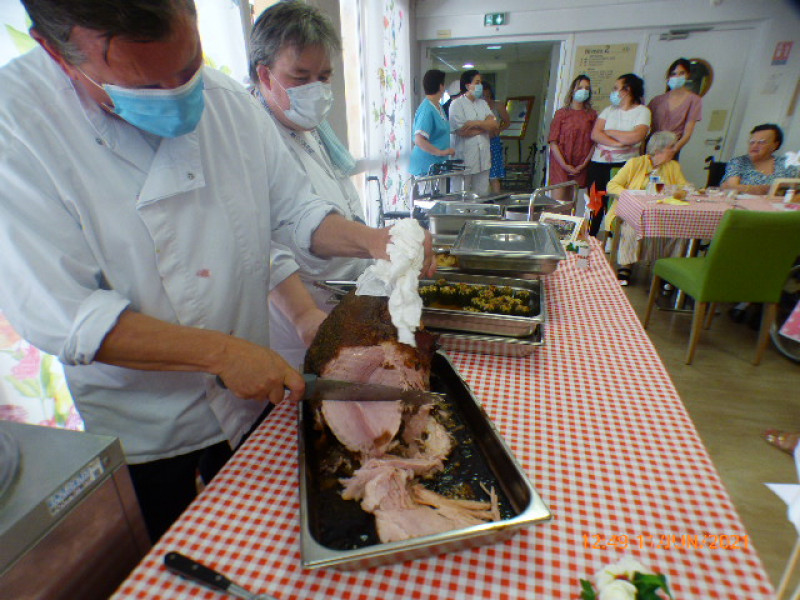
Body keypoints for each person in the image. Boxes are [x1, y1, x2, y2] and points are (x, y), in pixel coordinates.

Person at [0, 0, 433, 542]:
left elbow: (291, 215)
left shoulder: (228, 103)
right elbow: (67, 316)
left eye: (188, 69)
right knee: (181, 550)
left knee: (262, 535)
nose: (179, 95)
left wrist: (375, 241)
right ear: (55, 52)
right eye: (147, 85)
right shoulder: (15, 129)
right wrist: (221, 352)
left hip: (250, 399)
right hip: (149, 424)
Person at [249, 2, 374, 369]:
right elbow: (274, 238)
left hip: (343, 300)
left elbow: (332, 202)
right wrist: (376, 242)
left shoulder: (311, 128)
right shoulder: (253, 136)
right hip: (297, 325)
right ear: (265, 76)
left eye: (324, 76)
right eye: (300, 78)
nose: (315, 89)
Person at [606, 131, 688, 284]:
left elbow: (684, 188)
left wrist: (678, 192)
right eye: (671, 147)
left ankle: (667, 270)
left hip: (662, 213)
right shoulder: (635, 163)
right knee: (631, 226)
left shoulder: (673, 166)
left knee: (679, 231)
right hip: (632, 211)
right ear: (658, 150)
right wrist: (631, 195)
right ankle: (625, 267)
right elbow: (612, 185)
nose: (674, 150)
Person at [587, 73, 651, 235]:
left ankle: (612, 242)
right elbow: (595, 134)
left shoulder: (642, 111)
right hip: (599, 164)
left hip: (625, 165)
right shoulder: (608, 110)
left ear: (627, 90)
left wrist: (609, 132)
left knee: (618, 204)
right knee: (595, 204)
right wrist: (619, 142)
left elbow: (637, 136)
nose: (614, 92)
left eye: (616, 88)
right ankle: (589, 239)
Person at [448, 69, 499, 196]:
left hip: (483, 159)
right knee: (460, 197)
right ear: (467, 85)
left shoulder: (482, 103)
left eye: (480, 82)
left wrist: (475, 123)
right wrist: (484, 127)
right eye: (477, 82)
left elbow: (494, 125)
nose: (480, 86)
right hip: (464, 161)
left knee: (482, 195)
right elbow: (462, 131)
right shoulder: (456, 104)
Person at [548, 74, 597, 203]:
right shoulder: (561, 114)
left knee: (570, 205)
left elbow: (594, 143)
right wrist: (564, 165)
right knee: (557, 204)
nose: (584, 91)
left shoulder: (591, 115)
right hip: (560, 163)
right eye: (580, 87)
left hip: (580, 164)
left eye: (587, 88)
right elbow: (553, 142)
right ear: (573, 90)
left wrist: (582, 165)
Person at [647, 58, 702, 162]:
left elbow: (687, 133)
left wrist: (672, 150)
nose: (677, 77)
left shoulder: (694, 100)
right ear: (668, 77)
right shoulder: (657, 100)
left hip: (672, 147)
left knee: (667, 176)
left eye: (681, 73)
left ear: (687, 75)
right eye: (674, 74)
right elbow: (647, 127)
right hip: (652, 147)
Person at [721, 123, 798, 195]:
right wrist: (772, 188)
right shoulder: (739, 162)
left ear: (775, 144)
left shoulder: (786, 163)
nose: (755, 146)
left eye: (762, 142)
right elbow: (730, 188)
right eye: (752, 142)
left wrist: (748, 188)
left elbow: (795, 188)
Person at [409, 69, 455, 178]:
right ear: (441, 86)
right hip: (426, 166)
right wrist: (440, 152)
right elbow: (419, 140)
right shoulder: (427, 109)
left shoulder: (438, 107)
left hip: (437, 166)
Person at [482, 81, 510, 194]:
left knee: (494, 175)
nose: (486, 99)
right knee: (481, 175)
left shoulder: (497, 105)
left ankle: (497, 200)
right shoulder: (475, 107)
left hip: (493, 142)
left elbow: (507, 122)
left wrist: (498, 130)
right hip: (480, 143)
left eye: (488, 96)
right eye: (483, 96)